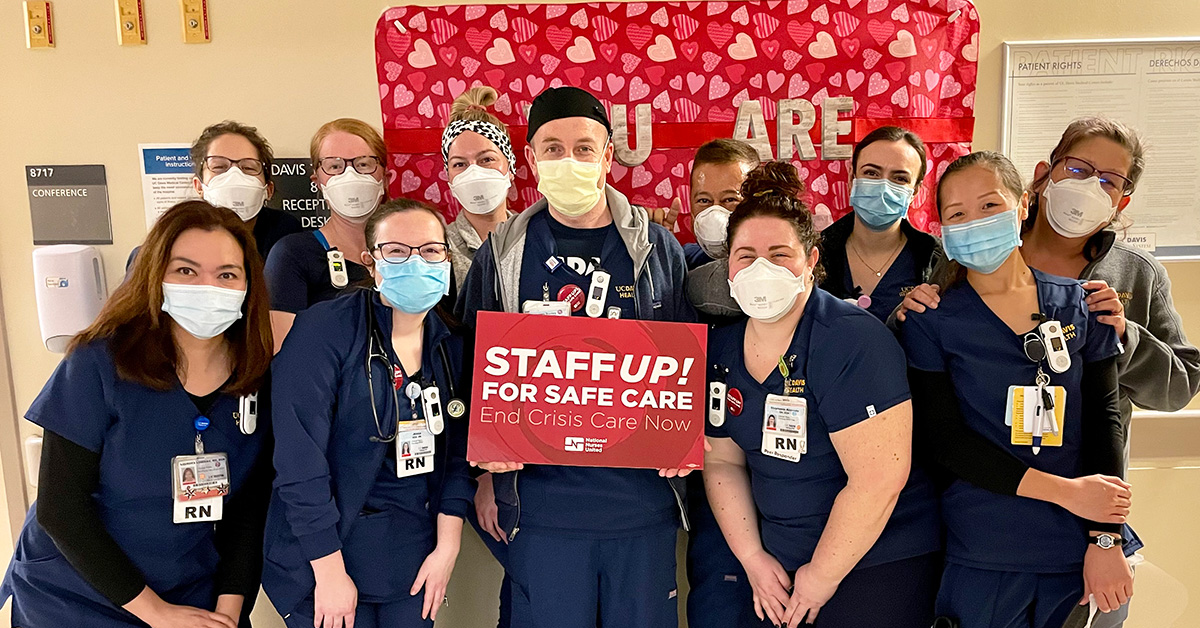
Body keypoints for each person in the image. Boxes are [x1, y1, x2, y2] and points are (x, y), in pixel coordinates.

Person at [899, 117, 1199, 627]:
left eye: (1109, 180)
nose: (1089, 186)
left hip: (1082, 536)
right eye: (1078, 168)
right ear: (1044, 177)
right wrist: (904, 313)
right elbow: (942, 438)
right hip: (984, 536)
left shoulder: (1102, 295)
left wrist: (1103, 535)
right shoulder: (938, 312)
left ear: (1018, 205)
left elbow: (1113, 416)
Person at [457, 86, 694, 628]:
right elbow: (471, 367)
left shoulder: (658, 248)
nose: (570, 161)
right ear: (532, 157)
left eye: (585, 148)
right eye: (553, 147)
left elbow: (685, 360)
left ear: (608, 156)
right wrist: (482, 475)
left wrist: (684, 438)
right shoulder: (502, 253)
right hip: (540, 508)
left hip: (642, 503)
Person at [0, 200, 274, 628]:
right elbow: (61, 507)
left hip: (187, 585)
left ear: (247, 286)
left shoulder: (255, 377)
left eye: (226, 274)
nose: (208, 287)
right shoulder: (100, 363)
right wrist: (155, 614)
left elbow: (247, 511)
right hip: (76, 593)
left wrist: (228, 611)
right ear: (155, 277)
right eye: (186, 271)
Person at [704, 161, 941, 628]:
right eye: (746, 256)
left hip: (874, 562)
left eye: (780, 255)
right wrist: (752, 557)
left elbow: (878, 481)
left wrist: (822, 576)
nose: (762, 269)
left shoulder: (851, 340)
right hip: (779, 568)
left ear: (811, 261)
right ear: (727, 266)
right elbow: (722, 462)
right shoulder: (724, 348)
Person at [262, 198, 472, 628]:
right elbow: (299, 461)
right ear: (371, 263)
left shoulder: (451, 346)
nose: (416, 263)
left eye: (431, 251)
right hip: (322, 554)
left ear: (447, 260)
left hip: (409, 554)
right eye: (396, 251)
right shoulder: (325, 330)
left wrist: (447, 549)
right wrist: (329, 573)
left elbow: (458, 458)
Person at [265, 118, 388, 350]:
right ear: (317, 182)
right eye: (334, 166)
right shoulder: (292, 255)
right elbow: (282, 356)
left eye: (363, 164)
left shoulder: (412, 253)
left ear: (385, 176)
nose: (349, 175)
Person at [126, 121, 302, 270]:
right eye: (219, 167)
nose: (234, 176)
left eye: (248, 168)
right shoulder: (166, 243)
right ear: (199, 186)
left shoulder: (287, 236)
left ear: (268, 189)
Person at [820, 126, 942, 322]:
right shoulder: (813, 252)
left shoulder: (937, 260)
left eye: (900, 178)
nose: (884, 187)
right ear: (851, 178)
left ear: (915, 192)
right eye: (871, 173)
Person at [443, 86, 518, 290]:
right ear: (449, 178)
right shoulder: (438, 247)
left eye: (486, 159)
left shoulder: (534, 237)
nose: (474, 173)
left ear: (510, 168)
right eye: (459, 164)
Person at [686, 139, 762, 269]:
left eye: (729, 199)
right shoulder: (684, 263)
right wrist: (663, 251)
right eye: (704, 200)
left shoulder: (788, 268)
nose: (715, 214)